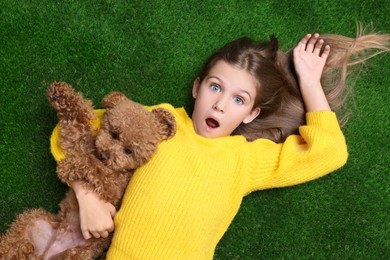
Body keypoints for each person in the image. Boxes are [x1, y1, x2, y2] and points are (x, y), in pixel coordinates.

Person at [52, 27, 389, 259]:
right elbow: (70, 132)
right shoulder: (159, 121)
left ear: (251, 114)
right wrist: (87, 198)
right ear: (198, 88)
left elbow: (330, 151)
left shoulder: (245, 159)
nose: (221, 104)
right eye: (215, 87)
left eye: (238, 100)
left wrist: (310, 81)